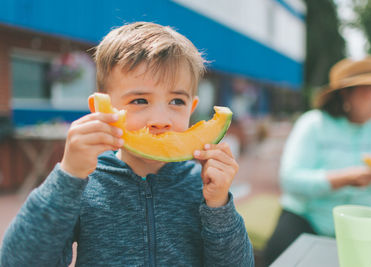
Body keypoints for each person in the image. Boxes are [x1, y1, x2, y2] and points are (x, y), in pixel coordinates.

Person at [0, 22, 254, 266]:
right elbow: (17, 261)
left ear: (192, 109)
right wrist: (68, 176)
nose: (160, 120)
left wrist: (219, 204)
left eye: (176, 101)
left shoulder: (201, 186)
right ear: (103, 108)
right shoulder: (85, 184)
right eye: (140, 101)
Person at [261, 55, 371, 265]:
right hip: (306, 218)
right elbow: (289, 179)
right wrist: (344, 178)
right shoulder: (312, 124)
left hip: (362, 225)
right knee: (279, 258)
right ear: (346, 92)